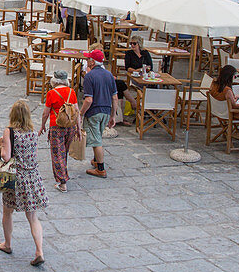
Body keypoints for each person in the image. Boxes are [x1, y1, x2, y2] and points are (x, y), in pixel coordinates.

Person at [0, 99, 48, 266]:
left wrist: (2, 145)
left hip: (15, 177)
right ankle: (39, 250)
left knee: (7, 211)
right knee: (33, 216)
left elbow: (6, 156)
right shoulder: (33, 133)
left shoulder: (9, 131)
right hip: (32, 176)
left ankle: (7, 244)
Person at [79, 49, 118, 179]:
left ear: (92, 61)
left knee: (96, 141)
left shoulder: (89, 77)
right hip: (106, 111)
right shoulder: (109, 75)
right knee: (98, 136)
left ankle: (100, 168)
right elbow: (115, 97)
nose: (86, 61)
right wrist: (113, 115)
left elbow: (89, 99)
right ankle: (96, 160)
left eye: (88, 59)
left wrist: (81, 113)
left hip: (94, 111)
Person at [39, 70, 81, 192]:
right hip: (70, 126)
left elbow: (45, 113)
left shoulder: (51, 93)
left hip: (56, 125)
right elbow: (77, 111)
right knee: (64, 152)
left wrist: (42, 126)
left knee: (57, 153)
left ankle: (62, 182)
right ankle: (64, 174)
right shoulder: (71, 92)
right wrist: (78, 128)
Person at [117, 35, 154, 120]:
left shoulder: (145, 53)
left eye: (134, 43)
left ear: (139, 44)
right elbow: (128, 68)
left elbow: (150, 66)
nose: (132, 45)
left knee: (154, 86)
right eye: (131, 43)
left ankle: (150, 107)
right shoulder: (129, 54)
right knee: (147, 87)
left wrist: (144, 70)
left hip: (145, 76)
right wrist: (137, 71)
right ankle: (147, 108)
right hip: (135, 78)